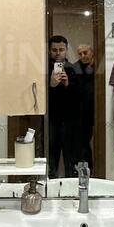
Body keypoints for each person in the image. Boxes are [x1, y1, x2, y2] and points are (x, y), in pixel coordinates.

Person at [47, 34, 77, 177]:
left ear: (66, 50)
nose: (58, 53)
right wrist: (51, 86)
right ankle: (50, 186)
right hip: (50, 121)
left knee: (70, 159)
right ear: (49, 51)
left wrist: (68, 85)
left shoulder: (73, 69)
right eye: (54, 50)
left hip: (69, 121)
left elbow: (80, 98)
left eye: (61, 49)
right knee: (50, 159)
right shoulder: (43, 69)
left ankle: (71, 187)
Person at [73, 43, 96, 174]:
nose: (82, 56)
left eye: (85, 53)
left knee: (86, 142)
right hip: (79, 113)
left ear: (91, 52)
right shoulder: (76, 67)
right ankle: (84, 171)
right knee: (81, 143)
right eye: (80, 54)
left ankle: (88, 171)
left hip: (94, 112)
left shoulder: (98, 65)